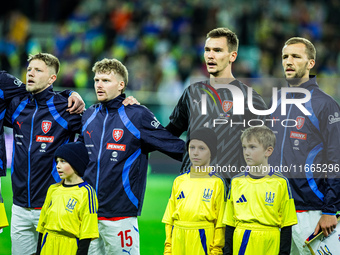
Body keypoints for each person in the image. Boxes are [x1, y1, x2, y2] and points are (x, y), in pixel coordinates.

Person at [79, 58, 185, 255]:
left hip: (121, 215)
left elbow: (172, 145)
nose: (99, 85)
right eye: (96, 80)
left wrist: (212, 163)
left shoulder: (136, 115)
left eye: (106, 80)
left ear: (121, 85)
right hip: (88, 215)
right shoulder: (89, 115)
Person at [4, 53, 85, 255]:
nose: (30, 73)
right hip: (19, 208)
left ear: (52, 79)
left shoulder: (65, 108)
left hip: (52, 207)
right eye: (29, 69)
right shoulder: (17, 105)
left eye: (38, 70)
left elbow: (94, 129)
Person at [269, 37, 340, 254]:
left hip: (313, 213)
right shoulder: (277, 103)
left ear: (310, 63)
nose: (288, 61)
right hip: (278, 212)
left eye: (296, 57)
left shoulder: (325, 104)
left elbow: (336, 159)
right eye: (285, 57)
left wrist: (331, 210)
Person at [166, 27, 268, 178]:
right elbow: (168, 135)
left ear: (232, 56)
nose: (210, 56)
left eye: (218, 50)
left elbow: (264, 148)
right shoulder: (192, 92)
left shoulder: (250, 98)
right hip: (190, 190)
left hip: (227, 191)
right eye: (207, 50)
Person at [223, 126, 297, 254]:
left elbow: (287, 225)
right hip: (242, 240)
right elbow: (229, 223)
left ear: (268, 151)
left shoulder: (281, 182)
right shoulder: (236, 181)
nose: (246, 152)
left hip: (270, 241)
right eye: (244, 147)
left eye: (252, 147)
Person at [0, 70, 84, 177]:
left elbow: (38, 93)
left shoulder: (3, 81)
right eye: (29, 69)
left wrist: (70, 93)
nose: (31, 73)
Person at [162, 127, 226, 255]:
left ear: (211, 152)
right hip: (178, 239)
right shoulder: (179, 181)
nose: (195, 153)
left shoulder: (217, 182)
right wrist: (168, 248)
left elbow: (220, 223)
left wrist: (216, 250)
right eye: (192, 148)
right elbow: (169, 219)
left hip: (203, 238)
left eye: (201, 148)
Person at [36, 142, 98, 255]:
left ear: (76, 163)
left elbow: (87, 231)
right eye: (57, 161)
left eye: (63, 161)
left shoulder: (86, 192)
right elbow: (42, 226)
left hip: (69, 246)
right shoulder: (53, 189)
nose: (58, 166)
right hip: (48, 243)